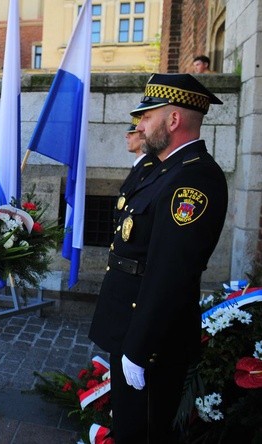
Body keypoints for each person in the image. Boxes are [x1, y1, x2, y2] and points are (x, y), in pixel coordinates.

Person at [89, 74, 228, 443]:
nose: (141, 124)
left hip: (151, 337)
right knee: (130, 424)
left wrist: (139, 346)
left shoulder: (194, 180)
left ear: (174, 120)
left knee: (143, 431)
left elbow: (171, 272)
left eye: (148, 116)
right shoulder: (161, 169)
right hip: (130, 321)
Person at [113, 116, 158, 222]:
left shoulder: (148, 169)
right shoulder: (139, 167)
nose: (126, 136)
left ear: (144, 135)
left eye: (132, 133)